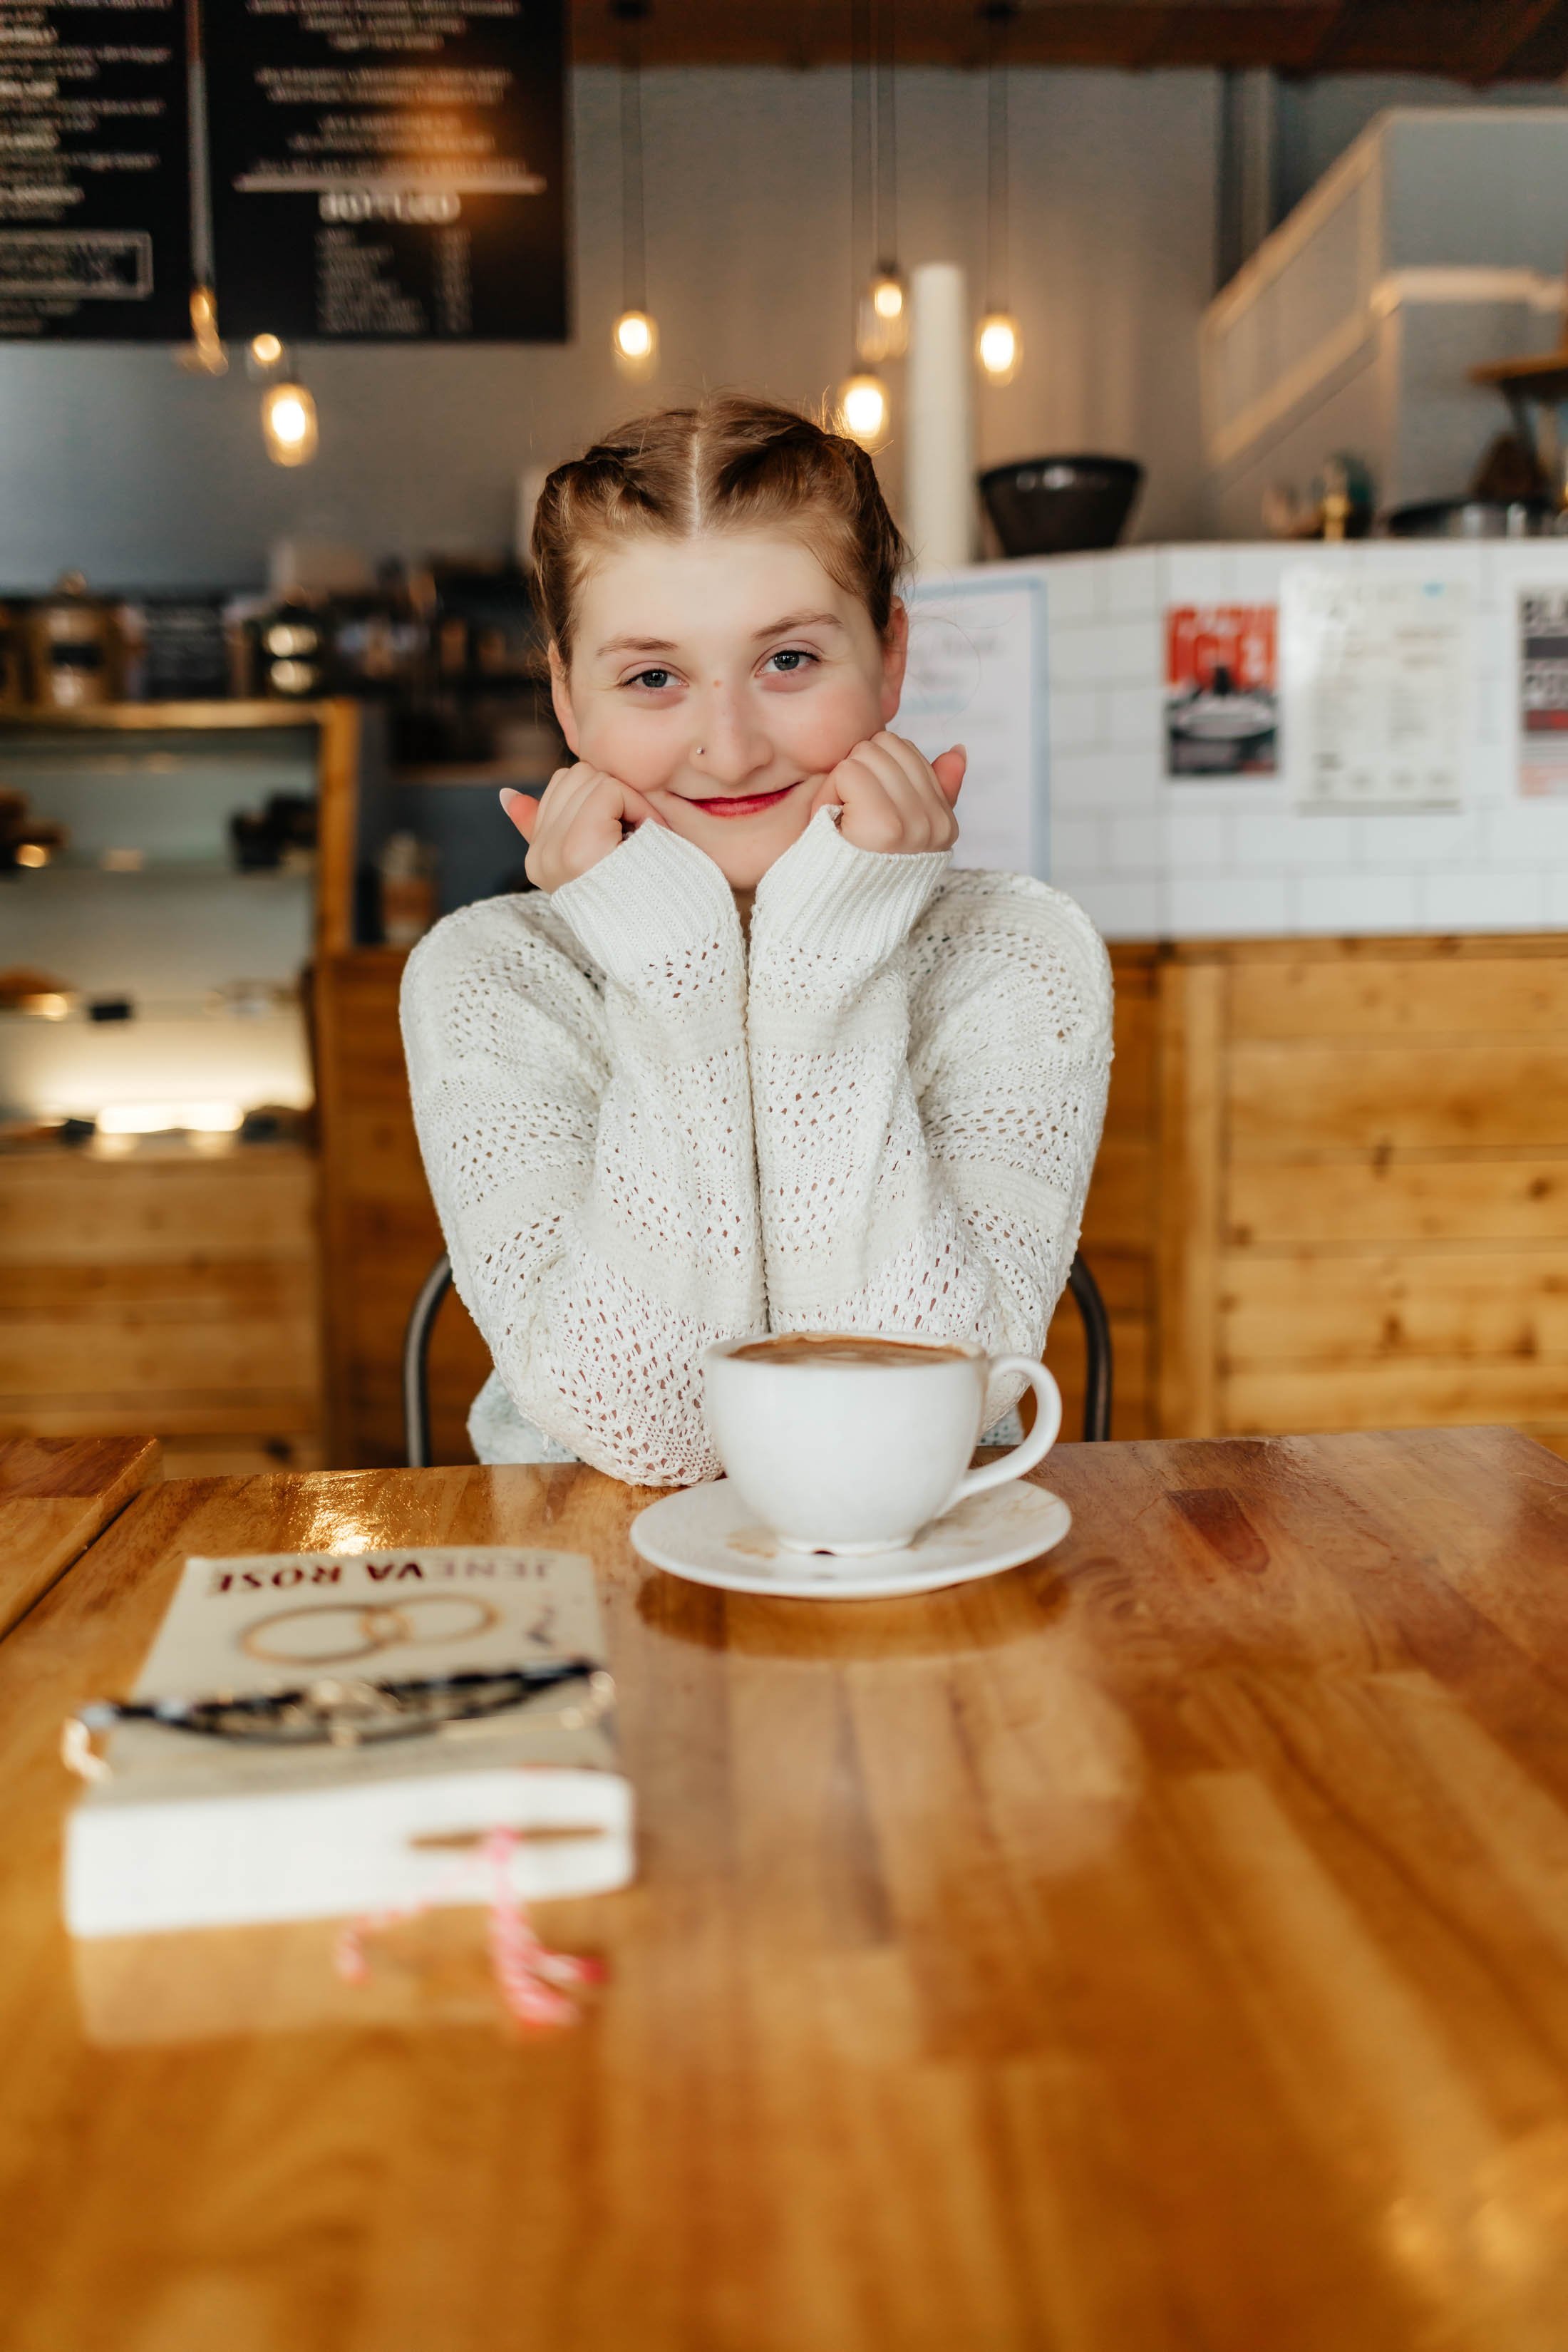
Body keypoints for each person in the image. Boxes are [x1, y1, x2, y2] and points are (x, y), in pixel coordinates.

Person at [401, 393, 1112, 1484]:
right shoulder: (491, 976)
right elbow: (647, 1428)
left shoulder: (1019, 955)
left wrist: (829, 964)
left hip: (924, 1580)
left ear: (889, 653)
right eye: (652, 677)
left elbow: (894, 1426)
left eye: (787, 661)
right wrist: (671, 976)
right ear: (565, 695)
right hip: (588, 1585)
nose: (727, 751)